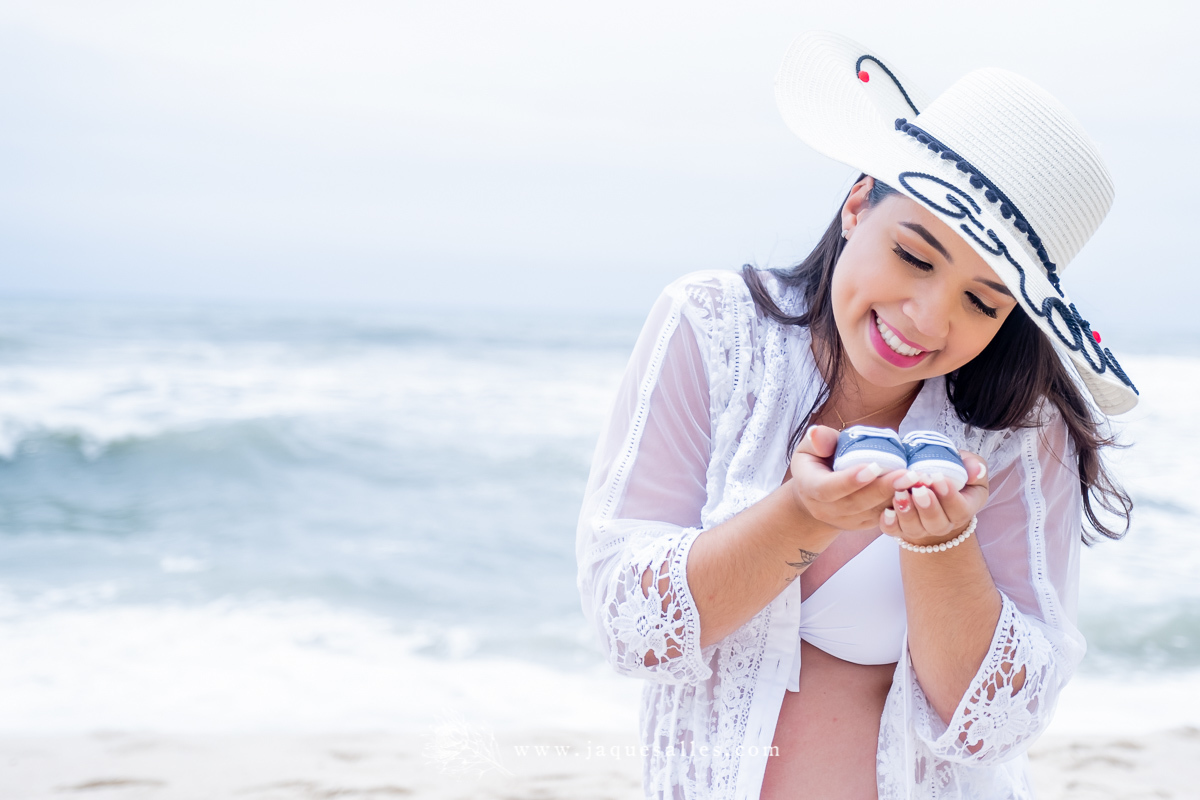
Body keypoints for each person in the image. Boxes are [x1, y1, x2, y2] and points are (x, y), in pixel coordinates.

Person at [575, 31, 1137, 799]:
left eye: (981, 300)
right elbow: (626, 622)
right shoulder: (712, 330)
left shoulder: (1015, 432)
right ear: (858, 204)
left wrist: (942, 548)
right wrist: (800, 518)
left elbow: (996, 724)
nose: (927, 319)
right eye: (915, 254)